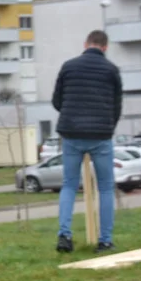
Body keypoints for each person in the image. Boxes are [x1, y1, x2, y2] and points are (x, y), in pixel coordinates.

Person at [51, 29, 122, 253]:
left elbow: (57, 100)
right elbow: (117, 106)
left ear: (86, 43)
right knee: (106, 188)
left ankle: (64, 235)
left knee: (69, 185)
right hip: (101, 135)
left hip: (71, 133)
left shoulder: (68, 66)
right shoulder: (112, 70)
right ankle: (105, 240)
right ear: (105, 47)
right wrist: (107, 124)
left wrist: (72, 116)